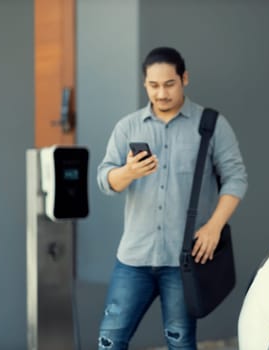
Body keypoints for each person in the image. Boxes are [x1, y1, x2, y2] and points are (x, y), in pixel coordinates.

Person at [96, 47, 248, 350]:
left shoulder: (211, 124)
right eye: (153, 85)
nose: (161, 93)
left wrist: (214, 227)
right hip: (133, 258)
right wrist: (128, 172)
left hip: (184, 261)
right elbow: (105, 179)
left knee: (179, 343)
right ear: (145, 84)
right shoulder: (128, 126)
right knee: (109, 341)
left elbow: (236, 178)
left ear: (184, 78)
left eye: (169, 84)